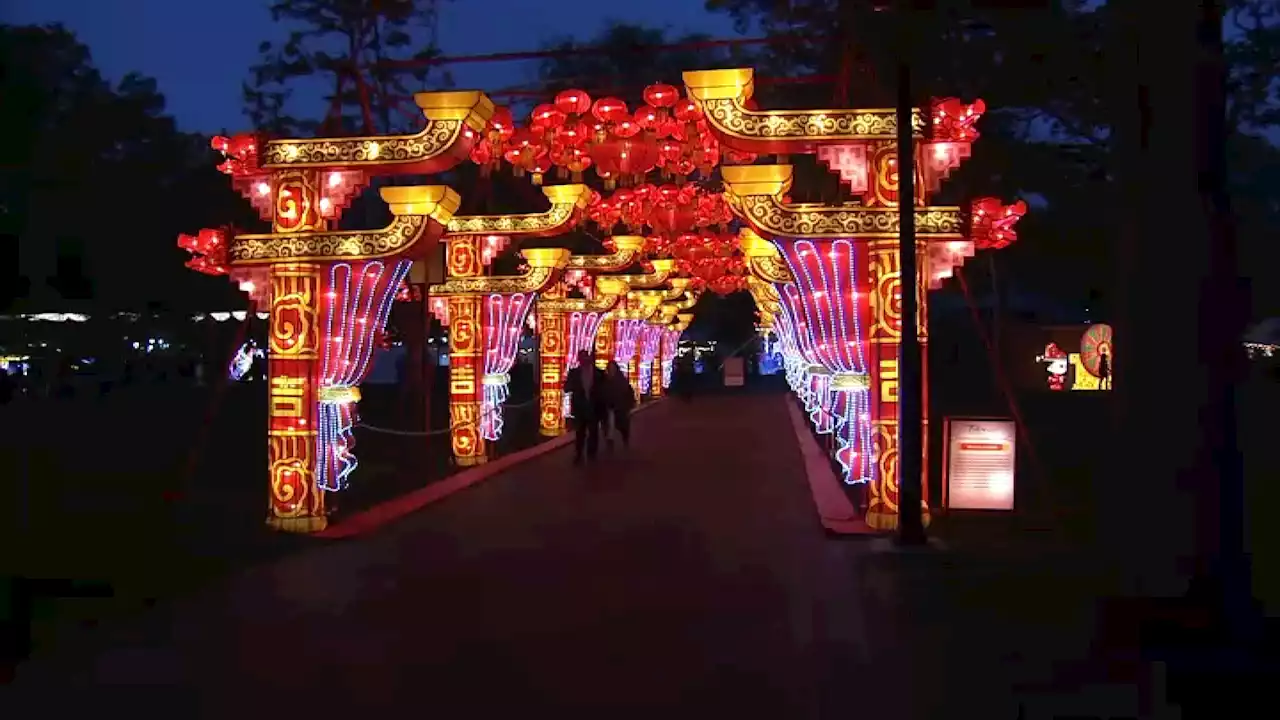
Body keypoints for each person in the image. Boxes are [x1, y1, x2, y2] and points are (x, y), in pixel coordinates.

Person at [562, 349, 607, 464]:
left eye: (585, 357)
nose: (583, 360)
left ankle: (591, 454)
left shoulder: (599, 373)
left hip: (594, 407)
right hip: (580, 407)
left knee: (593, 432)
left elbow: (604, 390)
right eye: (581, 358)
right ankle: (579, 454)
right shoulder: (574, 373)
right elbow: (567, 388)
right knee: (580, 432)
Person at [603, 360, 635, 449]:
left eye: (612, 368)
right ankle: (610, 442)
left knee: (622, 425)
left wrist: (628, 405)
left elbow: (628, 393)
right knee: (609, 426)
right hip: (609, 407)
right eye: (610, 368)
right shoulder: (605, 380)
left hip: (621, 407)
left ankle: (625, 438)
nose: (611, 370)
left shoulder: (621, 380)